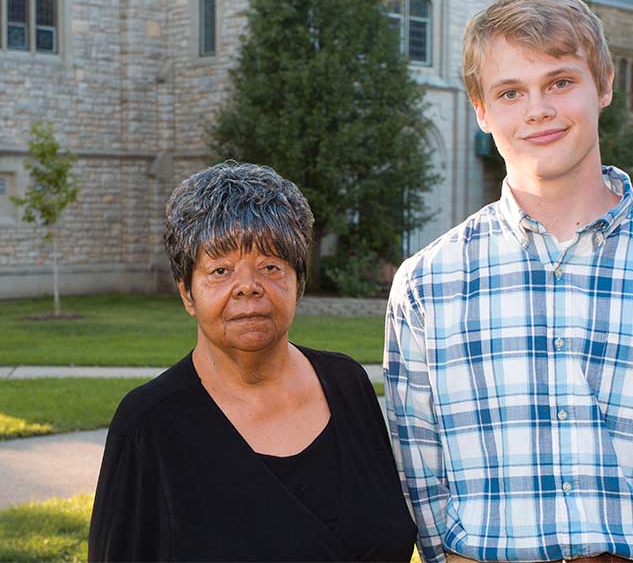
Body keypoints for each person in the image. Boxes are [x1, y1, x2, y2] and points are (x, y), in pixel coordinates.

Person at [384, 0, 633, 563]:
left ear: (604, 84)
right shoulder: (427, 285)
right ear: (482, 111)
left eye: (560, 82)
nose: (538, 110)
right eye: (511, 92)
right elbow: (422, 479)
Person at [89, 162, 415, 561]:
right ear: (187, 294)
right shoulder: (148, 425)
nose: (247, 286)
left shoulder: (348, 385)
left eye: (270, 266)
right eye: (220, 270)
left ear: (299, 280)